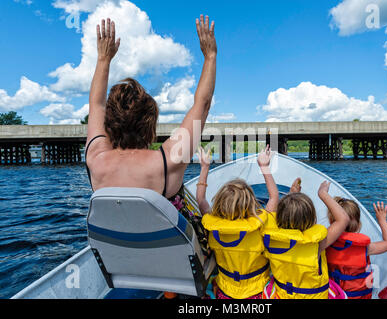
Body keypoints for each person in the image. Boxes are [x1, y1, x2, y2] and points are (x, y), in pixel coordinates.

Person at [85, 15, 216, 300]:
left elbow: (95, 104)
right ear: (151, 126)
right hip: (178, 269)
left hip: (128, 267)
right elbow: (202, 105)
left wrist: (104, 59)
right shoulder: (167, 161)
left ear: (109, 125)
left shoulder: (95, 158)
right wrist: (210, 56)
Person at [196, 145, 279, 299]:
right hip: (258, 293)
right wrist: (264, 167)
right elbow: (274, 197)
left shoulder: (212, 224)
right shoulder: (261, 222)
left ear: (220, 202)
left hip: (225, 292)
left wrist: (204, 167)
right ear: (250, 202)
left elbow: (200, 200)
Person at [262, 180, 350, 299]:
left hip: (283, 295)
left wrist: (291, 195)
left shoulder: (270, 240)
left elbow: (271, 209)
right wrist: (323, 193)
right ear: (312, 218)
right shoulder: (317, 244)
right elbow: (343, 219)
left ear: (280, 216)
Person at [326, 198, 387, 299]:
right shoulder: (365, 248)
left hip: (335, 295)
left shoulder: (325, 244)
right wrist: (382, 220)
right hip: (361, 296)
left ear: (331, 221)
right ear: (358, 224)